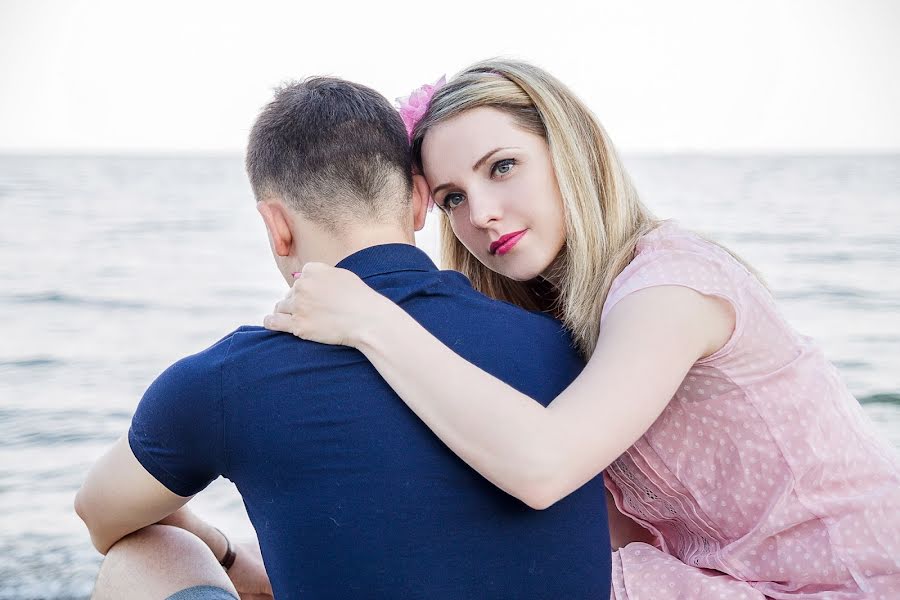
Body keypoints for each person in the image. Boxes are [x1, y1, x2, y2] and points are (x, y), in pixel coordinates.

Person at [264, 59, 900, 598]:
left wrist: (373, 319)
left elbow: (543, 466)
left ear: (572, 152)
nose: (481, 213)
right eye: (452, 197)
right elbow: (580, 525)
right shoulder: (554, 322)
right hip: (723, 579)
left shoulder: (669, 286)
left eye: (503, 167)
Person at [73, 76, 613, 600]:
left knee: (146, 553)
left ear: (276, 224)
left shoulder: (225, 379)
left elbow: (100, 516)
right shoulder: (566, 342)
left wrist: (217, 548)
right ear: (420, 201)